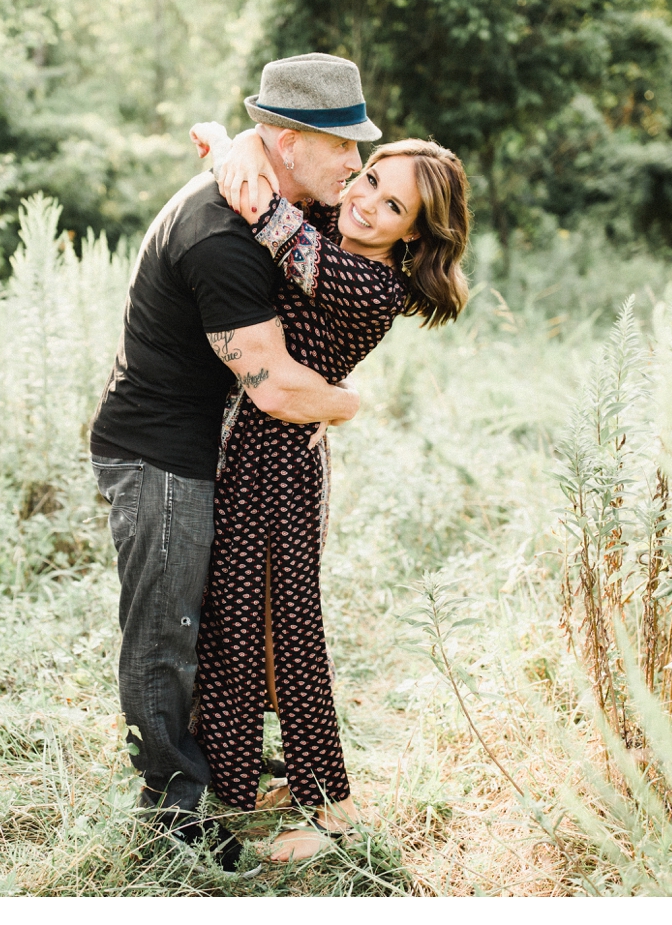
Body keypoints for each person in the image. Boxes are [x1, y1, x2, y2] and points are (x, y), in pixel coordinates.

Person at [88, 53, 376, 874]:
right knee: (165, 632)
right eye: (341, 146)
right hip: (159, 456)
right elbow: (281, 388)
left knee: (218, 623)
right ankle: (170, 817)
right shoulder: (223, 236)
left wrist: (229, 143)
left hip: (206, 451)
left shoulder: (272, 199)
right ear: (285, 141)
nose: (354, 164)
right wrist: (350, 401)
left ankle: (221, 773)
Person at [187, 113, 471, 862]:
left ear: (411, 234)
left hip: (279, 465)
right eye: (371, 177)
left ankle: (330, 811)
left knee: (284, 628)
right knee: (240, 620)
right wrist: (245, 143)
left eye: (392, 206)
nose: (367, 199)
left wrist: (224, 140)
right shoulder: (331, 224)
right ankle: (243, 785)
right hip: (254, 452)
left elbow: (268, 214)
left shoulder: (366, 282)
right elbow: (272, 175)